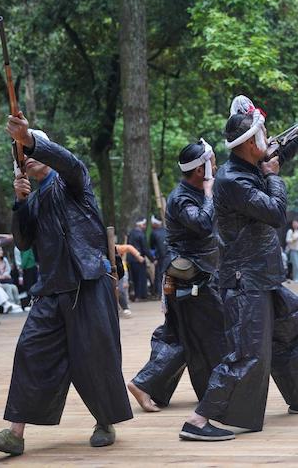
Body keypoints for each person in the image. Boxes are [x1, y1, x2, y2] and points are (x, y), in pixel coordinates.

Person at [179, 96, 298, 441]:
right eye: (262, 134)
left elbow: (281, 154)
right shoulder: (233, 180)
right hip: (245, 280)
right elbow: (276, 212)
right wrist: (274, 178)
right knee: (247, 355)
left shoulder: (251, 165)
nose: (268, 138)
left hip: (263, 275)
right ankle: (198, 420)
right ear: (251, 143)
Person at [0, 114, 132, 456]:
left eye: (32, 151)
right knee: (30, 351)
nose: (28, 158)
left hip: (87, 281)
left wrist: (29, 140)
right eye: (22, 155)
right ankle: (15, 434)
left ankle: (104, 422)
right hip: (51, 288)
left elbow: (70, 162)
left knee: (95, 357)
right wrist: (20, 203)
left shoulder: (74, 182)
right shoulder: (33, 200)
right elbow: (22, 242)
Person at [129, 140, 227, 413]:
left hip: (197, 274)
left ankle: (153, 386)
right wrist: (209, 193)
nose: (216, 166)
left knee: (182, 334)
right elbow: (202, 224)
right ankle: (144, 383)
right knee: (202, 333)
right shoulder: (182, 197)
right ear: (200, 170)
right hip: (189, 276)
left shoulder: (194, 190)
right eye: (212, 162)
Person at [127, 219, 154, 302]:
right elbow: (145, 249)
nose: (145, 226)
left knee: (133, 278)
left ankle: (135, 295)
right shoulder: (141, 235)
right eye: (144, 225)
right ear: (141, 225)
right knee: (140, 278)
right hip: (139, 259)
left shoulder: (131, 233)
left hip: (131, 259)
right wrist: (152, 259)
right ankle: (140, 296)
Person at [149, 215, 170, 298]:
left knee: (159, 275)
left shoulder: (153, 233)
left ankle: (159, 293)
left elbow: (152, 247)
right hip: (168, 256)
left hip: (159, 257)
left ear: (155, 223)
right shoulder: (167, 230)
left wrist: (154, 258)